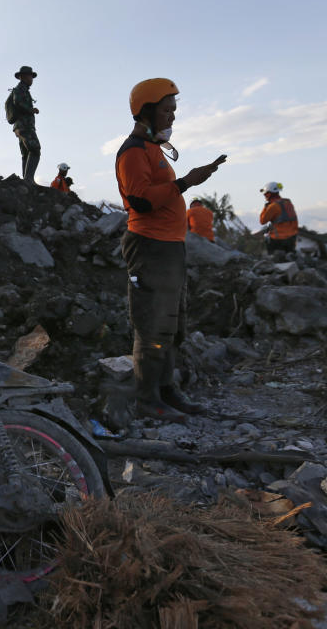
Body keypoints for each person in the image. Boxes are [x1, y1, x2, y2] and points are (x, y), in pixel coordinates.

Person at [116, 78, 226, 422]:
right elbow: (139, 201)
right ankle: (147, 399)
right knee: (152, 326)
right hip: (149, 248)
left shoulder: (152, 149)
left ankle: (166, 391)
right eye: (167, 110)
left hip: (169, 249)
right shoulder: (133, 151)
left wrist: (192, 179)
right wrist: (185, 183)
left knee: (171, 326)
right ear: (147, 110)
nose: (173, 117)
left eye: (174, 110)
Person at [6, 65, 41, 182]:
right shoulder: (20, 89)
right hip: (23, 125)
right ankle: (29, 179)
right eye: (30, 76)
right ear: (24, 77)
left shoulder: (23, 90)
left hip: (20, 126)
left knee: (26, 153)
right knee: (35, 149)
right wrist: (31, 110)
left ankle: (26, 180)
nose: (32, 79)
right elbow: (18, 103)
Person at [259, 182, 298, 254]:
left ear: (269, 194)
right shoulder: (288, 202)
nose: (265, 196)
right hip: (292, 239)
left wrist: (265, 207)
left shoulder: (273, 206)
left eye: (265, 193)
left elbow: (262, 221)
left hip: (278, 240)